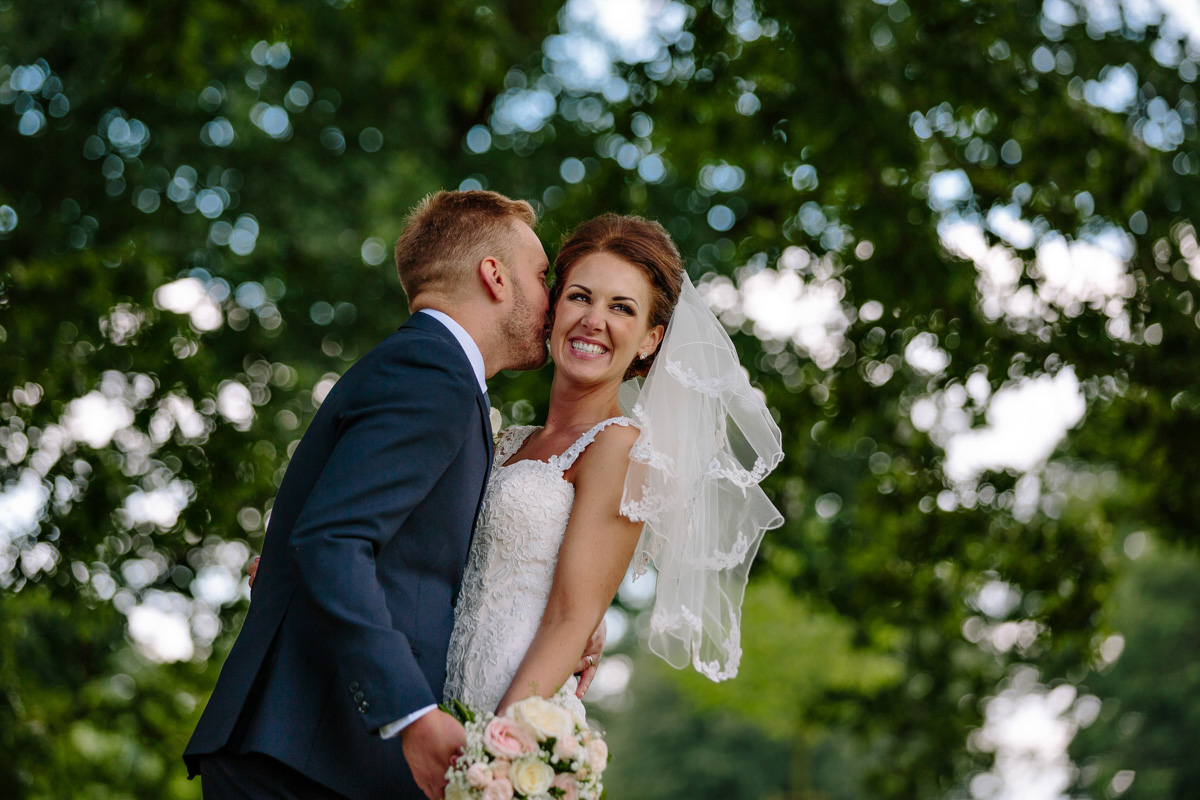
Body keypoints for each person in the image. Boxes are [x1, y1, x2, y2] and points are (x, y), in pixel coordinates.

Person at [183, 190, 604, 800]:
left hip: (322, 757)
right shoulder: (433, 372)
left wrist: (564, 608)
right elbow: (331, 539)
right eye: (543, 277)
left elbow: (374, 538)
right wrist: (409, 712)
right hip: (305, 758)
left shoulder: (427, 370)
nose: (554, 300)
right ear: (494, 276)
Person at [441, 213, 784, 727]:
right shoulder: (509, 440)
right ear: (554, 308)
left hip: (513, 715)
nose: (594, 319)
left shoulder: (622, 448)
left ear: (649, 339)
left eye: (622, 308)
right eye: (580, 296)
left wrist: (497, 746)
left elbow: (571, 617)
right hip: (439, 702)